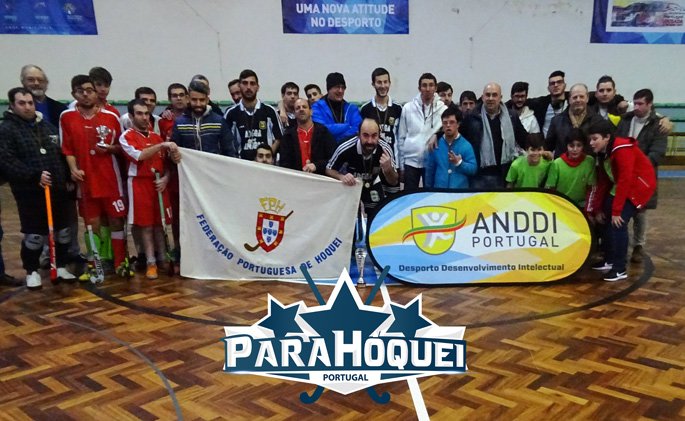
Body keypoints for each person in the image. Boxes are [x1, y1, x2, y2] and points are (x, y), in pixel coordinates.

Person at [0, 87, 77, 288]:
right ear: (12, 105)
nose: (27, 107)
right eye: (22, 103)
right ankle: (31, 270)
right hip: (29, 192)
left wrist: (67, 176)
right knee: (34, 235)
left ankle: (61, 265)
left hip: (57, 188)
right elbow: (7, 161)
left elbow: (61, 153)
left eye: (30, 103)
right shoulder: (6, 130)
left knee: (63, 231)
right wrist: (34, 176)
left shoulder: (47, 127)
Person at [60, 75, 128, 280]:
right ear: (74, 94)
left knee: (116, 220)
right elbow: (67, 148)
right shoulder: (66, 117)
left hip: (110, 179)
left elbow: (121, 147)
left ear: (95, 92)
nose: (86, 94)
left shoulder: (112, 116)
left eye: (89, 90)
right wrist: (73, 169)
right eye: (80, 91)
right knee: (92, 223)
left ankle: (120, 261)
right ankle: (94, 263)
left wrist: (111, 149)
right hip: (86, 181)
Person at [586, 120, 656, 282]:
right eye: (590, 139)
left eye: (595, 139)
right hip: (619, 186)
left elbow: (626, 180)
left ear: (607, 137)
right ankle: (609, 260)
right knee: (605, 217)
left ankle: (619, 269)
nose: (591, 143)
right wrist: (598, 208)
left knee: (618, 223)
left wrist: (617, 211)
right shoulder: (603, 153)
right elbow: (604, 181)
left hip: (636, 189)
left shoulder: (622, 150)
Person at [119, 99, 180, 279]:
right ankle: (150, 261)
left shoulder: (156, 137)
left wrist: (166, 179)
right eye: (139, 113)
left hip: (159, 184)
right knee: (145, 226)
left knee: (160, 224)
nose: (144, 117)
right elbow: (139, 156)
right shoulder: (126, 137)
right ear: (131, 117)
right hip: (140, 184)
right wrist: (161, 145)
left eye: (146, 113)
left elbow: (167, 165)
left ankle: (163, 258)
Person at [615, 89, 667, 263]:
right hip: (623, 172)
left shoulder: (658, 125)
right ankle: (618, 244)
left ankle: (638, 245)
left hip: (643, 176)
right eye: (635, 103)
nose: (636, 107)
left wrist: (638, 167)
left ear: (650, 104)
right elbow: (617, 142)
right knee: (620, 208)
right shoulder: (625, 120)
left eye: (640, 104)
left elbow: (658, 152)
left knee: (640, 211)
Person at [459, 83, 528, 189]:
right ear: (482, 97)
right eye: (488, 95)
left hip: (504, 173)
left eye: (494, 95)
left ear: (500, 97)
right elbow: (458, 137)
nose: (491, 98)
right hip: (479, 175)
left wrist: (542, 149)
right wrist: (437, 135)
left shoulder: (511, 116)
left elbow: (524, 139)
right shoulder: (471, 117)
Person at [326, 119, 398, 214]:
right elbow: (329, 169)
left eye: (374, 136)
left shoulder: (385, 149)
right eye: (365, 135)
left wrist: (388, 169)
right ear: (358, 135)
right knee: (349, 216)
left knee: (377, 213)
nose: (370, 141)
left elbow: (394, 181)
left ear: (379, 136)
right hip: (350, 184)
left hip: (372, 182)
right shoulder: (345, 146)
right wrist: (342, 177)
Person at [397, 72, 447, 190]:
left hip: (432, 161)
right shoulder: (408, 108)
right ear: (419, 88)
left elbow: (447, 132)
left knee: (429, 196)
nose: (428, 89)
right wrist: (401, 165)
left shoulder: (443, 109)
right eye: (424, 85)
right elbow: (401, 138)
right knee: (410, 197)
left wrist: (437, 134)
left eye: (431, 85)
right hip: (410, 162)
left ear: (435, 88)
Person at [360, 67, 403, 195]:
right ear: (373, 84)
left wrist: (400, 164)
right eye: (379, 82)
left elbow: (400, 137)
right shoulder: (366, 109)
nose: (383, 86)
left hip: (392, 161)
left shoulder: (398, 108)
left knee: (392, 199)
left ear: (390, 83)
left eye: (385, 82)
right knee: (372, 199)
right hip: (371, 162)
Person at [224, 69, 283, 160]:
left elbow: (278, 139)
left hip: (264, 165)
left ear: (257, 87)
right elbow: (225, 141)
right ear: (239, 86)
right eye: (245, 83)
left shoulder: (270, 111)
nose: (248, 87)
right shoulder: (231, 113)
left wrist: (266, 157)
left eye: (252, 83)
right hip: (240, 164)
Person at [171, 81, 235, 156]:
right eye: (194, 100)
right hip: (189, 163)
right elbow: (175, 151)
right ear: (188, 99)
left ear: (207, 100)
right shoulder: (179, 123)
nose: (198, 104)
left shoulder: (219, 121)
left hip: (213, 163)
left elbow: (229, 151)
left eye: (202, 100)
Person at [545, 83, 604, 158]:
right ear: (569, 99)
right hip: (562, 163)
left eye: (581, 97)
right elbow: (548, 147)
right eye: (575, 97)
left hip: (588, 163)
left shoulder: (597, 120)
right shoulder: (557, 121)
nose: (578, 100)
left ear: (587, 98)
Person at [279, 98, 336, 174]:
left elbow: (333, 158)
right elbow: (284, 163)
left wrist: (316, 165)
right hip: (296, 178)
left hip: (320, 177)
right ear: (294, 114)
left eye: (304, 107)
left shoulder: (323, 132)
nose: (301, 109)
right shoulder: (288, 136)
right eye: (298, 108)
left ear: (311, 112)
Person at [424, 108, 477, 189]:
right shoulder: (436, 144)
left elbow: (473, 169)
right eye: (445, 123)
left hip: (459, 193)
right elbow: (430, 171)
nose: (448, 125)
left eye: (452, 122)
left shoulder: (466, 145)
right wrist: (428, 190)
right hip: (439, 191)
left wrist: (459, 163)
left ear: (458, 124)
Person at [545, 129, 596, 208]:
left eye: (579, 145)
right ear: (567, 146)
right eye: (571, 146)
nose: (575, 149)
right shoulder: (557, 163)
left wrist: (589, 210)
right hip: (561, 205)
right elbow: (550, 189)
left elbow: (591, 188)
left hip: (582, 206)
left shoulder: (589, 161)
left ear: (583, 146)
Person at [311, 72, 362, 142]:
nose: (340, 91)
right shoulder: (317, 108)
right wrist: (347, 126)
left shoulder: (352, 109)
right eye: (337, 87)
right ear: (328, 89)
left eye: (343, 87)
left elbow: (358, 129)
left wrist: (339, 139)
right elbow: (321, 130)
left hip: (348, 146)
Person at [527, 70, 569, 136]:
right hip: (547, 141)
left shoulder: (573, 100)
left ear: (564, 85)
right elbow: (522, 102)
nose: (556, 85)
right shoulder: (542, 103)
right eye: (552, 83)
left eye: (559, 82)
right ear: (548, 88)